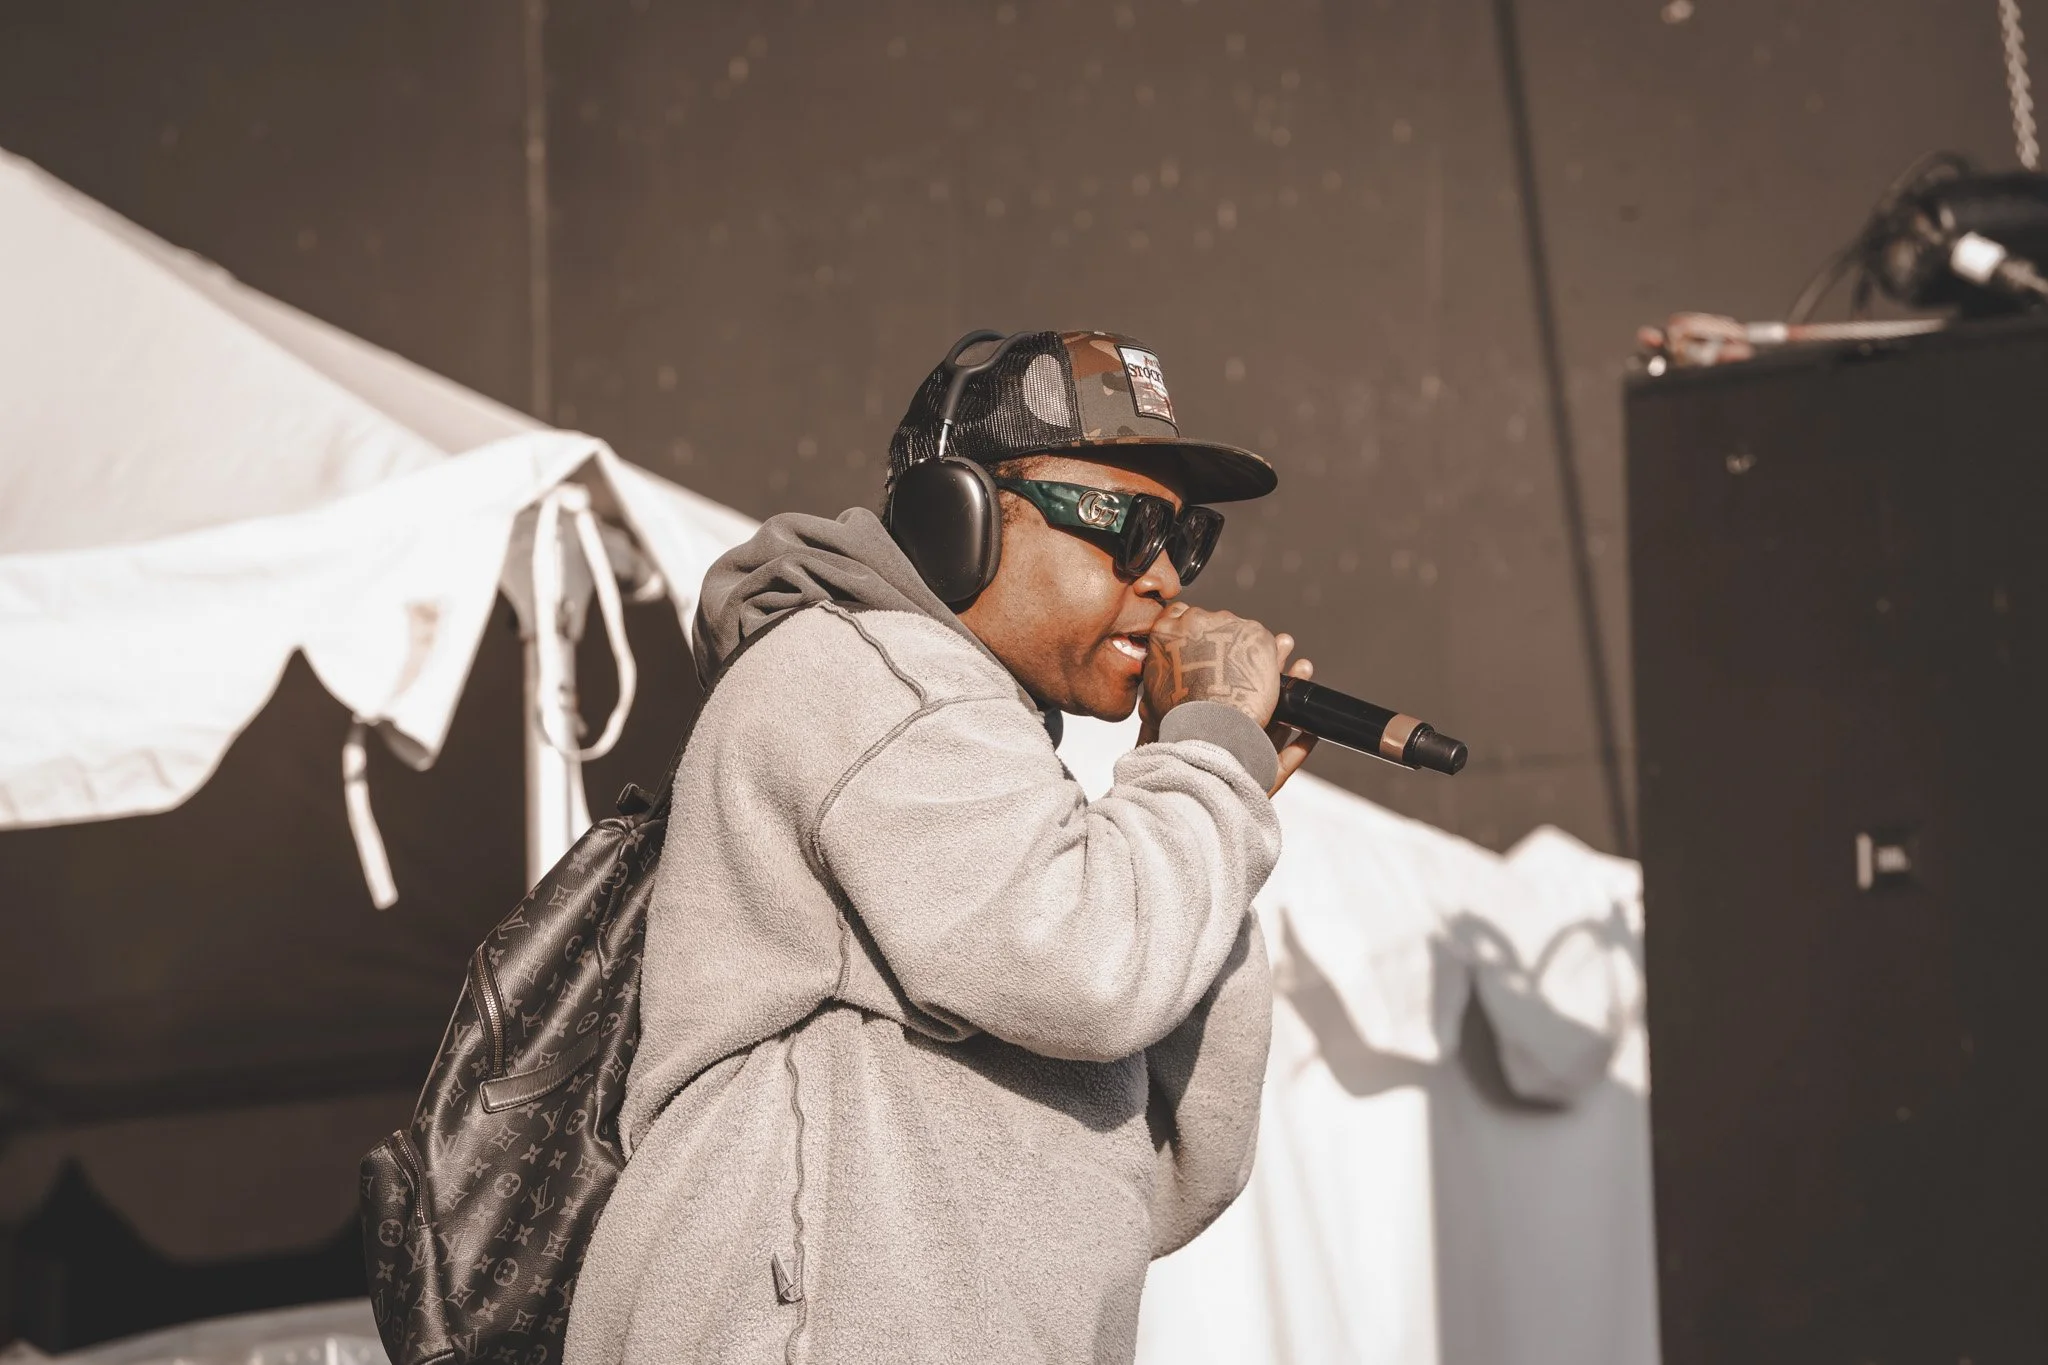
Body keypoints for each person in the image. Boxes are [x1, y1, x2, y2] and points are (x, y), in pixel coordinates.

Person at [564, 330, 1315, 1365]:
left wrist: (1212, 797)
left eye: (1186, 539)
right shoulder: (866, 674)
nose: (1162, 580)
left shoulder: (997, 765)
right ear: (958, 516)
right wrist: (1207, 764)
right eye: (1128, 525)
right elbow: (1088, 971)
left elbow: (1179, 1164)